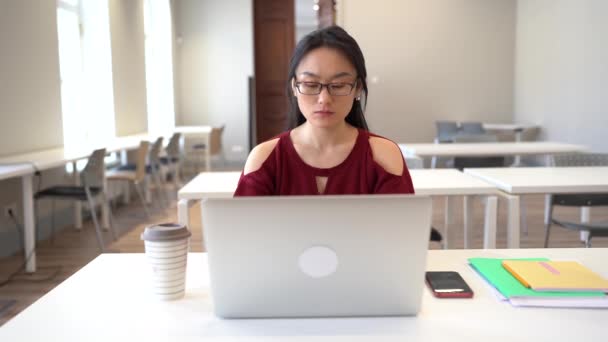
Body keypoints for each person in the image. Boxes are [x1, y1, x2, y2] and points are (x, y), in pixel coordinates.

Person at [234, 26, 414, 196]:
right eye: (311, 85)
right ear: (294, 87)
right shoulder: (265, 159)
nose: (324, 99)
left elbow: (403, 227)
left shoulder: (383, 157)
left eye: (338, 85)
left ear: (358, 88)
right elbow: (242, 227)